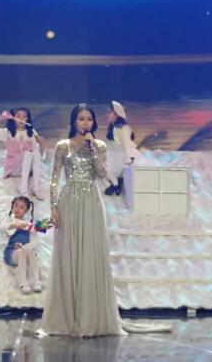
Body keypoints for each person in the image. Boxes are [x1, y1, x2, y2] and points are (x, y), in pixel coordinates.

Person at [40, 103, 122, 337]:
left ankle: (90, 319)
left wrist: (92, 147)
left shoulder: (99, 145)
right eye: (81, 119)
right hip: (69, 201)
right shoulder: (62, 146)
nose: (85, 123)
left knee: (89, 254)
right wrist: (53, 207)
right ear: (74, 121)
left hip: (91, 201)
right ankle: (68, 318)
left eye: (89, 119)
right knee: (69, 254)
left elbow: (102, 174)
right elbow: (54, 179)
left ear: (93, 123)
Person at [0, 108, 47, 198]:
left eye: (24, 117)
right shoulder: (8, 132)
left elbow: (38, 156)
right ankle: (23, 190)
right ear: (13, 118)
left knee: (34, 151)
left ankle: (36, 188)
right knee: (27, 153)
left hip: (28, 168)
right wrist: (1, 117)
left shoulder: (31, 132)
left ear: (27, 119)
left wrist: (42, 144)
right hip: (14, 168)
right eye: (18, 116)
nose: (21, 119)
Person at [2, 196, 43, 293]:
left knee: (29, 250)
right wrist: (16, 225)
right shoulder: (9, 221)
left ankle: (36, 281)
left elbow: (34, 242)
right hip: (12, 253)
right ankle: (23, 283)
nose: (18, 209)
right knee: (21, 251)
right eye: (16, 205)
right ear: (12, 207)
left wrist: (23, 246)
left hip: (25, 251)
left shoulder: (29, 225)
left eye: (22, 207)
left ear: (26, 210)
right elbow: (3, 229)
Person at [103, 101, 139, 209]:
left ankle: (117, 184)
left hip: (122, 155)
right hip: (114, 154)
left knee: (108, 169)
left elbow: (127, 144)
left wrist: (128, 159)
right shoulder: (113, 127)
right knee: (104, 167)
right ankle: (116, 184)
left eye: (109, 112)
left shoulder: (124, 128)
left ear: (117, 114)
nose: (107, 115)